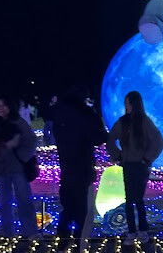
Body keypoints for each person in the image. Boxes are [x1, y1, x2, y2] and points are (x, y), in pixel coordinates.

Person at [53, 86, 109, 251]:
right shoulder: (84, 115)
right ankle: (80, 243)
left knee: (68, 207)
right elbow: (99, 137)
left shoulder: (59, 115)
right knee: (83, 211)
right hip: (83, 169)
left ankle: (63, 239)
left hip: (66, 168)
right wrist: (94, 115)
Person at [108, 90, 163, 245]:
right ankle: (131, 232)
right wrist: (118, 156)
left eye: (129, 103)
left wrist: (147, 159)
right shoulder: (123, 122)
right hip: (127, 165)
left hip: (141, 166)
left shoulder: (145, 122)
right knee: (129, 200)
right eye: (125, 103)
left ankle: (142, 231)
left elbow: (158, 142)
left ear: (135, 104)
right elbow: (110, 139)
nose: (126, 106)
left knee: (138, 199)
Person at [0, 96, 38, 238]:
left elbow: (31, 141)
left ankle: (29, 232)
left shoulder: (18, 122)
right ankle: (8, 232)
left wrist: (21, 156)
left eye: (4, 105)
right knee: (4, 202)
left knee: (24, 200)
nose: (1, 108)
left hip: (18, 168)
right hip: (0, 168)